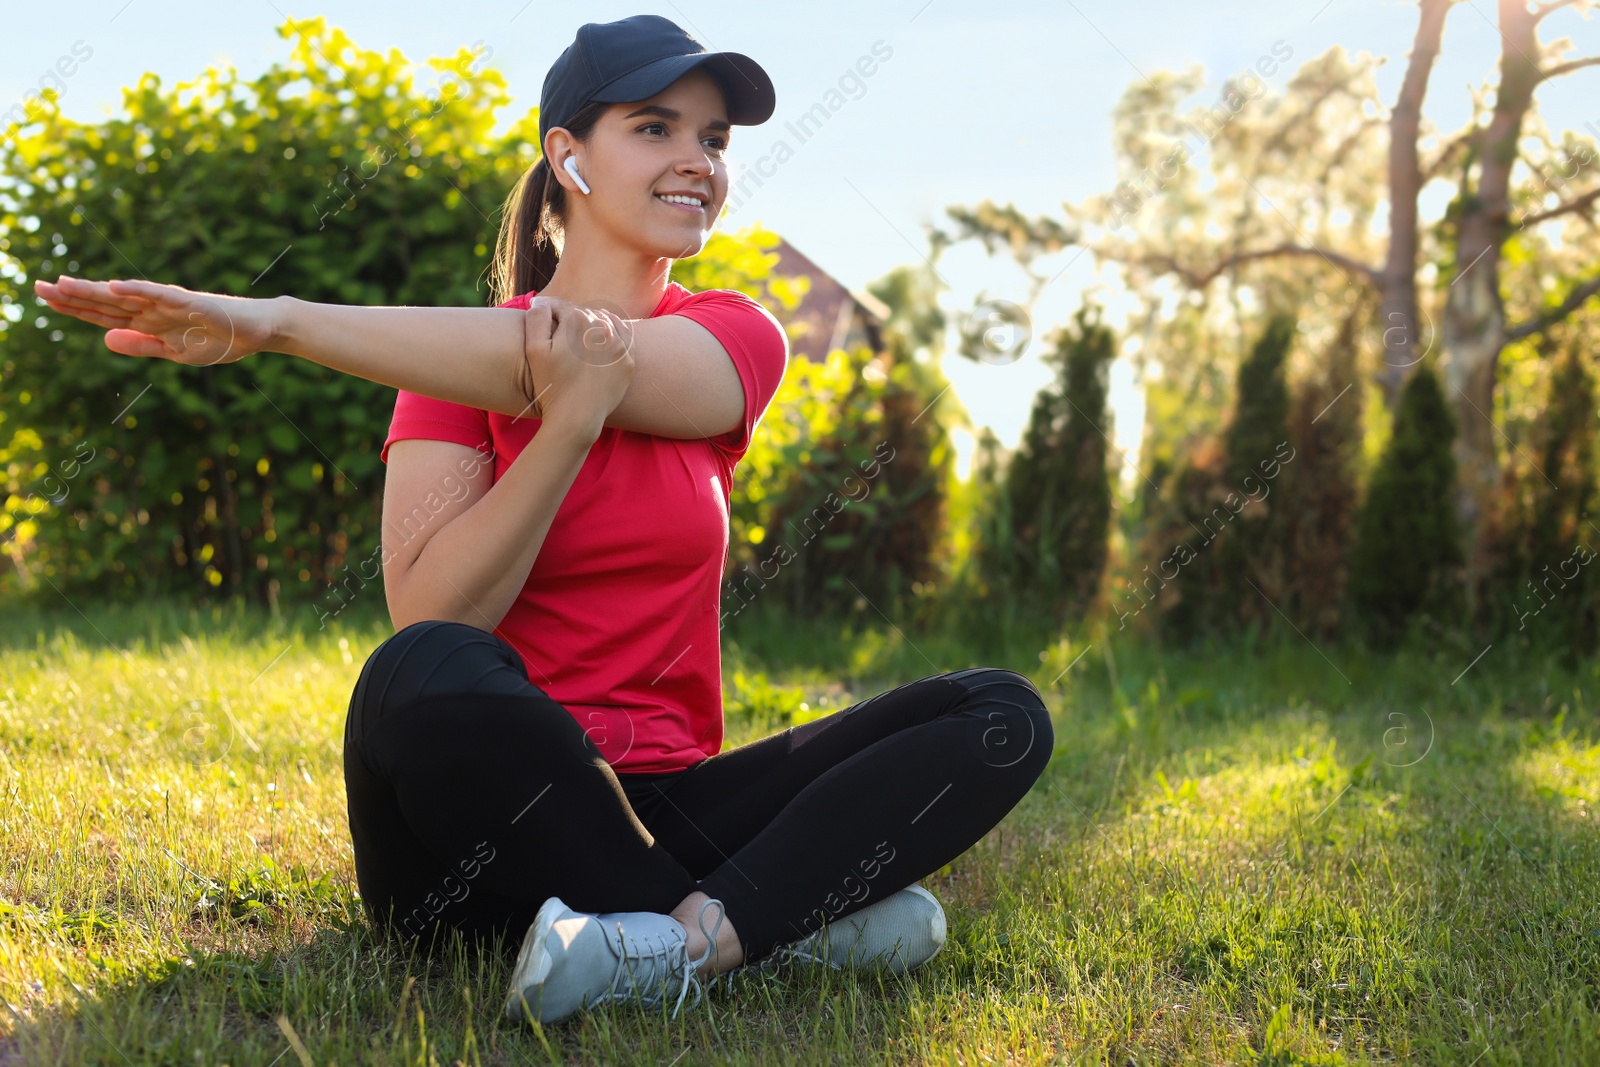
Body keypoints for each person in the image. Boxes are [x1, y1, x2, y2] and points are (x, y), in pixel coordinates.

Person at [33, 13, 1055, 1027]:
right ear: (566, 155)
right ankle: (777, 916)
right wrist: (564, 427)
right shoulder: (442, 367)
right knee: (417, 668)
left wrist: (280, 324)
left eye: (712, 138)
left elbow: (601, 360)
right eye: (655, 128)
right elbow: (439, 615)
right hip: (479, 839)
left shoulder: (734, 336)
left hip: (663, 806)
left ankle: (679, 942)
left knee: (997, 711)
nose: (695, 158)